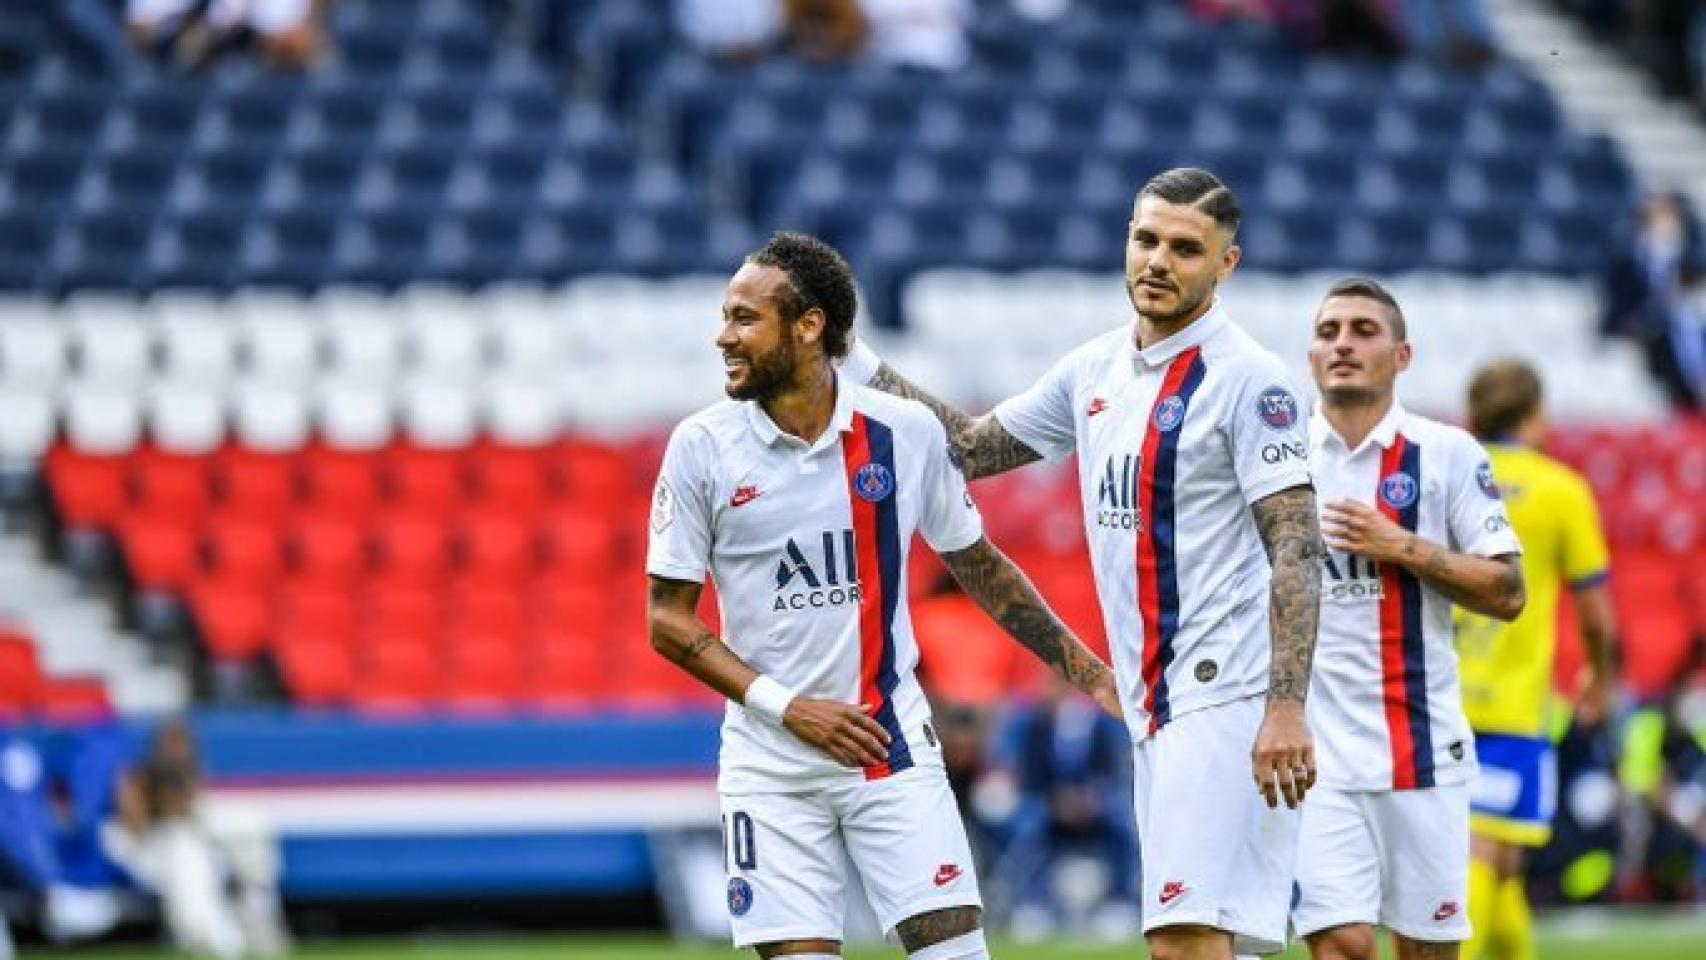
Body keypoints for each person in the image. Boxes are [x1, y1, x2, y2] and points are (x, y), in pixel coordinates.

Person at [844, 166, 1324, 960]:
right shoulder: (1095, 369)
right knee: (1224, 945)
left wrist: (1283, 705)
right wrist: (855, 362)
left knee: (1181, 938)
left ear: (1225, 265)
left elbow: (1298, 545)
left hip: (1222, 698)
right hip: (1156, 705)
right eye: (1145, 239)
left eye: (1185, 247)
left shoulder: (1249, 380)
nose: (1158, 260)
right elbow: (969, 447)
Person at [644, 232, 1120, 960]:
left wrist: (1088, 673)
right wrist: (791, 709)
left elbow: (981, 566)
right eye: (725, 315)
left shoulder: (903, 433)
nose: (723, 336)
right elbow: (667, 622)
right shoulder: (702, 447)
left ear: (809, 326)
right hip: (770, 764)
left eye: (745, 318)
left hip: (891, 750)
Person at [1289, 279, 1526, 960]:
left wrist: (1402, 547)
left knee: (1426, 951)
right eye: (1329, 330)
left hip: (1424, 750)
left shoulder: (1447, 453)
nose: (1342, 342)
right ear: (1310, 358)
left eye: (1363, 330)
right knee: (1343, 944)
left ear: (1402, 355)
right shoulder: (1277, 459)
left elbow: (1508, 591)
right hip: (1315, 757)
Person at [1454, 360, 1619, 960]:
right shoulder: (1561, 490)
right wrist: (1600, 678)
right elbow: (1598, 614)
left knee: (1502, 865)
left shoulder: (1449, 475)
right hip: (1515, 710)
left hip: (1436, 696)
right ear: (1533, 413)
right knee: (1482, 855)